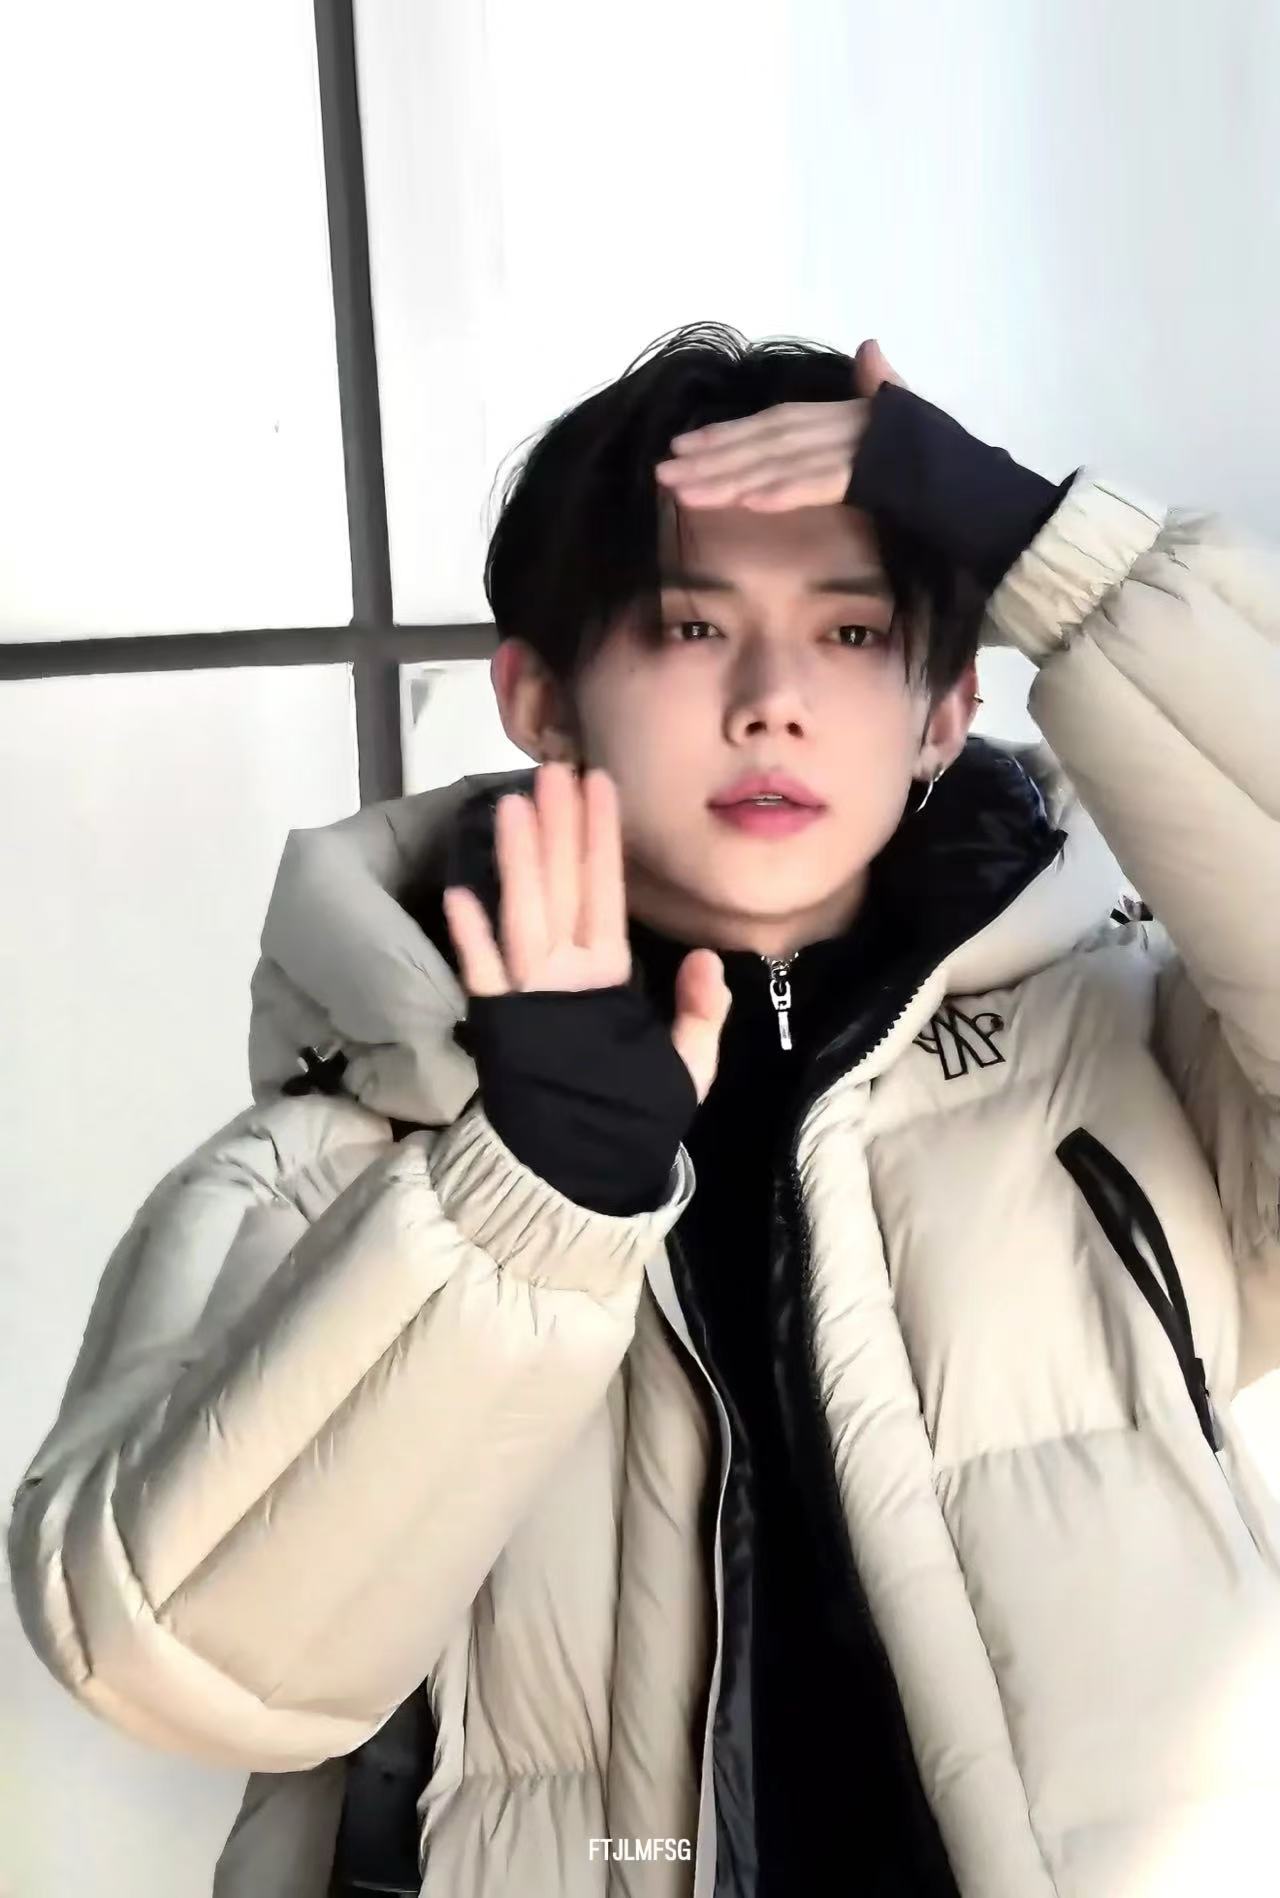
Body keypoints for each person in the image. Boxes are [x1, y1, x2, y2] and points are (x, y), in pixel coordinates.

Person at [8, 322, 1280, 1898]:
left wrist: (1072, 569)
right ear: (541, 698)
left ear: (947, 709)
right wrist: (523, 1203)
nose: (772, 700)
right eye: (690, 625)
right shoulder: (339, 1148)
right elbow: (162, 1649)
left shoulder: (1131, 1052)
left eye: (852, 630)